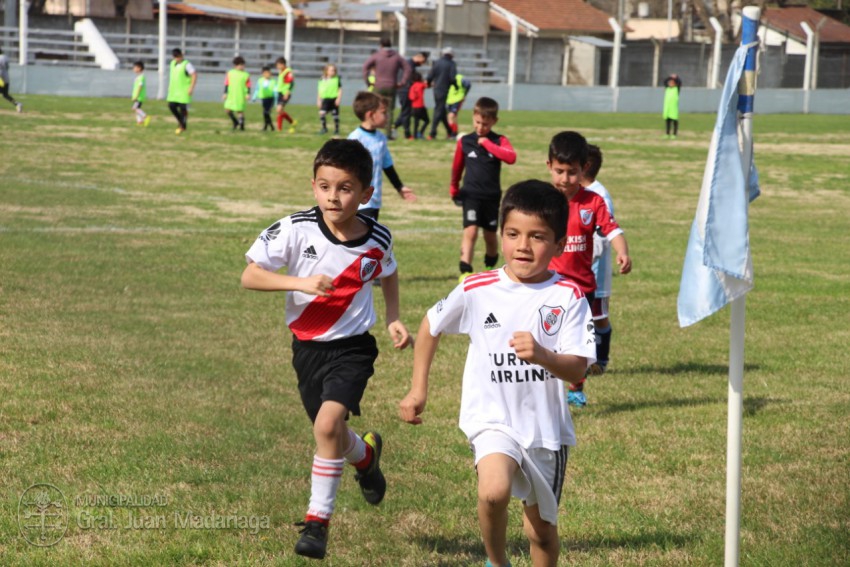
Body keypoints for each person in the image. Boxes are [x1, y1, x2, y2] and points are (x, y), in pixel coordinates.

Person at [400, 180, 597, 567]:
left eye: (537, 236)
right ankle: (497, 561)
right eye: (512, 234)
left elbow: (578, 367)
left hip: (544, 431)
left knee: (540, 530)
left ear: (559, 245)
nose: (523, 245)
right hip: (492, 419)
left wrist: (543, 355)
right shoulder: (477, 288)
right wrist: (417, 389)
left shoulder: (569, 296)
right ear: (501, 234)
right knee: (493, 491)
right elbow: (430, 326)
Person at [242, 138, 412, 560]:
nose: (333, 197)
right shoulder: (295, 227)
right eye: (324, 186)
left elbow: (387, 273)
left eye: (345, 188)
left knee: (326, 426)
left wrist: (393, 316)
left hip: (353, 348)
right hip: (307, 349)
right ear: (313, 186)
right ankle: (366, 456)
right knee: (331, 432)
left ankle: (317, 524)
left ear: (366, 194)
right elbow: (250, 275)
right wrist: (300, 282)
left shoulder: (377, 237)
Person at [546, 131, 631, 407]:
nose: (565, 179)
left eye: (572, 172)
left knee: (577, 340)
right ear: (549, 166)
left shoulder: (592, 203)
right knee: (544, 336)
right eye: (559, 171)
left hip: (582, 287)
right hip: (546, 283)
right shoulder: (543, 200)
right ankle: (540, 388)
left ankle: (575, 387)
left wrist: (622, 250)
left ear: (583, 170)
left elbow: (612, 229)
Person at [451, 97, 516, 281]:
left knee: (489, 235)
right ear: (473, 118)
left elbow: (511, 157)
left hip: (492, 196)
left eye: (485, 124)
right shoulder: (465, 141)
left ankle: (490, 262)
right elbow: (457, 167)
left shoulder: (499, 140)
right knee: (470, 231)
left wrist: (488, 144)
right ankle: (465, 269)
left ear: (494, 122)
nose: (480, 128)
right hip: (470, 194)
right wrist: (453, 189)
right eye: (478, 122)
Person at [348, 91, 416, 220]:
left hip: (375, 200)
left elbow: (387, 165)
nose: (387, 116)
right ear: (371, 115)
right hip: (359, 202)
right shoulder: (356, 138)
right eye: (384, 112)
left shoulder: (381, 138)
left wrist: (400, 187)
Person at [583, 145, 616, 376]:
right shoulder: (575, 192)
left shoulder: (599, 195)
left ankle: (601, 359)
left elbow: (604, 233)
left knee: (599, 317)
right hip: (576, 269)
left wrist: (586, 254)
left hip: (595, 271)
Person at [362, 37, 410, 140]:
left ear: (381, 45)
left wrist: (368, 82)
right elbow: (407, 68)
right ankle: (388, 134)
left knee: (374, 108)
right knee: (389, 110)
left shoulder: (377, 56)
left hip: (378, 86)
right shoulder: (397, 57)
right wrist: (402, 82)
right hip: (391, 86)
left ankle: (372, 130)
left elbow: (365, 67)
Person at [393, 50, 429, 140]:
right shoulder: (409, 65)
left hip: (403, 90)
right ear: (420, 57)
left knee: (406, 111)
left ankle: (395, 125)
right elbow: (409, 79)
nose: (422, 64)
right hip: (404, 90)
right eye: (423, 61)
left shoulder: (409, 64)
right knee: (406, 113)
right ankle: (407, 134)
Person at [426, 46, 458, 140]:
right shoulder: (451, 64)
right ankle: (432, 133)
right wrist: (456, 86)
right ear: (451, 55)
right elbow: (452, 78)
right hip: (444, 90)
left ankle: (450, 132)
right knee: (439, 110)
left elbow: (430, 76)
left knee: (441, 110)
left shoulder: (437, 62)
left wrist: (428, 84)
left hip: (436, 90)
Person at [167, 48, 197, 135]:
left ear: (182, 55)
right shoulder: (172, 64)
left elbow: (194, 75)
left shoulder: (187, 64)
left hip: (184, 91)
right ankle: (181, 122)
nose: (177, 58)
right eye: (175, 57)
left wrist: (191, 87)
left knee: (183, 109)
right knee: (171, 106)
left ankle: (182, 126)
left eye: (179, 56)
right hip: (174, 91)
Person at [223, 56, 251, 131]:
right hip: (231, 94)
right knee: (227, 109)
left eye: (243, 65)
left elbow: (248, 85)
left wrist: (248, 93)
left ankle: (242, 125)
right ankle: (235, 122)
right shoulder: (230, 73)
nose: (242, 66)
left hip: (240, 95)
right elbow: (226, 83)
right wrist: (225, 93)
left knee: (240, 110)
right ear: (235, 65)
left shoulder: (245, 74)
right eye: (240, 65)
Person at [317, 64, 342, 135]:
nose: (333, 72)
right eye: (331, 70)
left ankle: (336, 130)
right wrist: (318, 100)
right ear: (327, 71)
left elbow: (340, 89)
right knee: (322, 113)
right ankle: (324, 128)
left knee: (335, 115)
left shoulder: (337, 79)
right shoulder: (322, 79)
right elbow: (319, 89)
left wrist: (338, 98)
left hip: (334, 99)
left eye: (334, 70)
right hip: (325, 99)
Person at [275, 56, 297, 133]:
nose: (277, 67)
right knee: (279, 111)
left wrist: (287, 93)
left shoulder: (288, 72)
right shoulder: (281, 72)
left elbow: (291, 83)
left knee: (279, 109)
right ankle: (292, 122)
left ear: (282, 64)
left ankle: (279, 129)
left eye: (278, 65)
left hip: (285, 93)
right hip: (280, 93)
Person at [446, 73, 471, 137]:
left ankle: (452, 133)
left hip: (457, 99)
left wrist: (464, 95)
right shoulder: (445, 78)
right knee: (452, 117)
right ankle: (453, 133)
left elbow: (468, 84)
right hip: (449, 100)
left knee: (451, 116)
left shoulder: (459, 78)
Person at [252, 65, 277, 131]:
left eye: (268, 73)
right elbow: (257, 89)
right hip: (264, 99)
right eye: (265, 73)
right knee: (265, 113)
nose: (267, 74)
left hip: (271, 99)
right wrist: (254, 97)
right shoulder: (260, 81)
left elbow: (275, 91)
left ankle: (268, 126)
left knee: (266, 112)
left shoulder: (273, 81)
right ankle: (270, 126)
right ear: (263, 74)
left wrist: (276, 101)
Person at [0, 47, 22, 112]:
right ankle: (17, 104)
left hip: (1, 78)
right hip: (6, 78)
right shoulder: (5, 57)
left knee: (5, 94)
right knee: (5, 95)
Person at [408, 72, 429, 140]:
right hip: (421, 106)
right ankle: (420, 132)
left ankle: (414, 136)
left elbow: (411, 97)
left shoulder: (412, 86)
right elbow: (427, 85)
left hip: (414, 107)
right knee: (427, 120)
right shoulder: (421, 85)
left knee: (416, 122)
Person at [130, 61, 150, 127]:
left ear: (139, 68)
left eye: (134, 67)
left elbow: (140, 86)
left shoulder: (141, 77)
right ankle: (140, 121)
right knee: (137, 108)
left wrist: (136, 96)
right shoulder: (138, 77)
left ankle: (145, 117)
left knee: (135, 108)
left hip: (139, 97)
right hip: (137, 96)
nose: (133, 69)